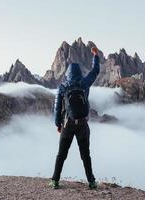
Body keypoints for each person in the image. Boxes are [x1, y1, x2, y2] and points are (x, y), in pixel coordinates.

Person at [49, 47, 100, 189]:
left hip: (67, 124)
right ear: (79, 73)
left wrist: (57, 124)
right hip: (83, 125)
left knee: (61, 154)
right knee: (85, 155)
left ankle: (55, 181)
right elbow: (95, 71)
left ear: (67, 73)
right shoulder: (84, 83)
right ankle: (91, 182)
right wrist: (95, 55)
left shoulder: (63, 87)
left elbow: (57, 107)